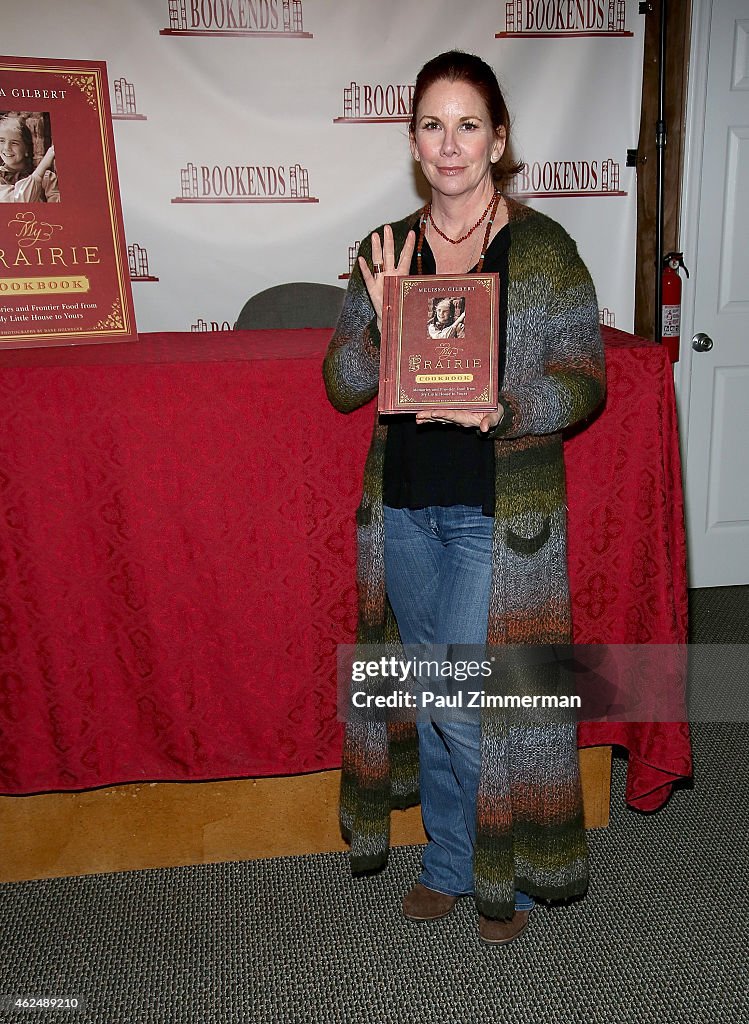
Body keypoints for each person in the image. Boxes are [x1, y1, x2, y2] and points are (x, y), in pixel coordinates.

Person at [323, 51, 605, 946]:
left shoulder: (545, 249)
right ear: (413, 141)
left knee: (464, 699)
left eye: (468, 124)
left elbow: (586, 381)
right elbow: (340, 384)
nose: (451, 144)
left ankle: (506, 876)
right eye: (433, 125)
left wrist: (510, 406)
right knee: (431, 688)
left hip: (498, 515)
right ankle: (448, 861)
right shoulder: (384, 248)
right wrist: (381, 312)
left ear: (499, 139)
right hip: (404, 506)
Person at [0, 116, 59, 203]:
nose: (6, 148)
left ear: (26, 149)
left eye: (14, 143)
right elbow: (17, 201)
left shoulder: (47, 178)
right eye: (1, 141)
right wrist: (41, 170)